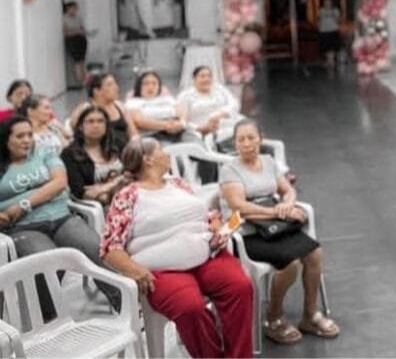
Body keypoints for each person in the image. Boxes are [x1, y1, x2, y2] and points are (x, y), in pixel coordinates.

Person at [100, 137, 253, 358]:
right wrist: (135, 270)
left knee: (240, 287)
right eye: (161, 150)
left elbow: (204, 212)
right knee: (190, 307)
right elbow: (109, 248)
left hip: (205, 254)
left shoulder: (177, 183)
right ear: (148, 160)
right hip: (163, 269)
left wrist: (216, 224)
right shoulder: (127, 196)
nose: (167, 154)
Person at [219, 119, 339, 345]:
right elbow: (239, 207)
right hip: (247, 234)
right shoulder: (229, 170)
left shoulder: (268, 161)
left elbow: (288, 190)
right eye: (241, 139)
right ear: (235, 143)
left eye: (251, 138)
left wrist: (288, 204)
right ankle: (273, 318)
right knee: (290, 264)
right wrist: (277, 211)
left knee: (315, 253)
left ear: (260, 139)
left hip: (274, 227)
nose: (247, 144)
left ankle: (310, 315)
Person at [0, 115, 120, 315]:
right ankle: (48, 319)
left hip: (61, 217)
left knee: (98, 250)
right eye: (20, 136)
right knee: (48, 264)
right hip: (24, 227)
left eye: (29, 135)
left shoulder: (44, 152)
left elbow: (59, 183)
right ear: (5, 139)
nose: (27, 140)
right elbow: (52, 187)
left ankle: (126, 304)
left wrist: (21, 204)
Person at [61, 105, 125, 205]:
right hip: (98, 205)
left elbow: (133, 173)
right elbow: (80, 192)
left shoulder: (118, 145)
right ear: (81, 127)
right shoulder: (69, 154)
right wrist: (121, 182)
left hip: (127, 195)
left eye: (100, 121)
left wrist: (106, 186)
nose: (96, 125)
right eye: (90, 121)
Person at [126, 70, 200, 146]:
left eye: (154, 83)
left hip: (179, 130)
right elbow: (139, 121)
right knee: (171, 150)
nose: (150, 87)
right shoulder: (133, 102)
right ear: (139, 86)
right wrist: (166, 125)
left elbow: (182, 110)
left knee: (197, 145)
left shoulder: (167, 99)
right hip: (154, 134)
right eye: (146, 84)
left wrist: (181, 122)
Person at [69, 73, 138, 151]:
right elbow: (74, 131)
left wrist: (134, 147)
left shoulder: (120, 106)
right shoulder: (86, 108)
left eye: (115, 84)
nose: (116, 87)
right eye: (109, 85)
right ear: (96, 91)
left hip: (125, 151)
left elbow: (133, 133)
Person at [177, 66, 241, 147]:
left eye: (209, 76)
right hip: (197, 132)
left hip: (224, 127)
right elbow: (182, 121)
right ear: (194, 79)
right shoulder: (185, 96)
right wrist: (199, 128)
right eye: (202, 76)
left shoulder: (219, 89)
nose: (206, 79)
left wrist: (221, 113)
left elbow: (234, 104)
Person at [63, 1, 88, 86]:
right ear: (68, 9)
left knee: (82, 61)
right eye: (73, 8)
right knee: (77, 61)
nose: (74, 10)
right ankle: (79, 81)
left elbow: (82, 29)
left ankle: (84, 80)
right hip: (72, 41)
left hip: (81, 40)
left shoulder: (79, 18)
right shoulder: (64, 18)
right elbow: (66, 32)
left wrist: (80, 31)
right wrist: (76, 31)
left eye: (75, 8)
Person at [317, 0, 341, 68]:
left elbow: (338, 20)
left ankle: (331, 61)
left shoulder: (335, 10)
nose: (327, 3)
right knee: (326, 47)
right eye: (325, 1)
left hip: (333, 30)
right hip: (324, 31)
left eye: (328, 1)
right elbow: (319, 20)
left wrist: (334, 16)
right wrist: (319, 28)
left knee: (332, 47)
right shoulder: (321, 11)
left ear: (331, 2)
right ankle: (329, 61)